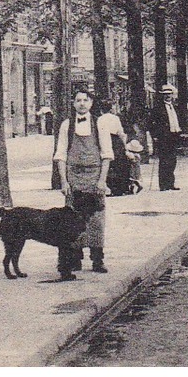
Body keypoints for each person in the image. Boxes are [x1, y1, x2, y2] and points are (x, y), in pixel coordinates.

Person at [53, 88, 117, 275]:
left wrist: (102, 181)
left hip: (94, 177)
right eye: (78, 100)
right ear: (73, 103)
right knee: (72, 218)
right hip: (74, 177)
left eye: (85, 100)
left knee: (96, 219)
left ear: (91, 103)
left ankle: (97, 259)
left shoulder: (100, 125)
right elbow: (60, 155)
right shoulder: (67, 125)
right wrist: (64, 182)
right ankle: (75, 259)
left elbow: (107, 155)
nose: (82, 103)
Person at [149, 85, 185, 191]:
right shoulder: (158, 108)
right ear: (162, 96)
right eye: (165, 94)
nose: (168, 96)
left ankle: (171, 183)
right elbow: (151, 122)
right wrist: (154, 135)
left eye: (169, 94)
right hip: (163, 137)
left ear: (172, 95)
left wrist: (180, 132)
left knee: (172, 160)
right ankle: (163, 185)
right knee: (164, 160)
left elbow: (178, 120)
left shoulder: (175, 107)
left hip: (174, 136)